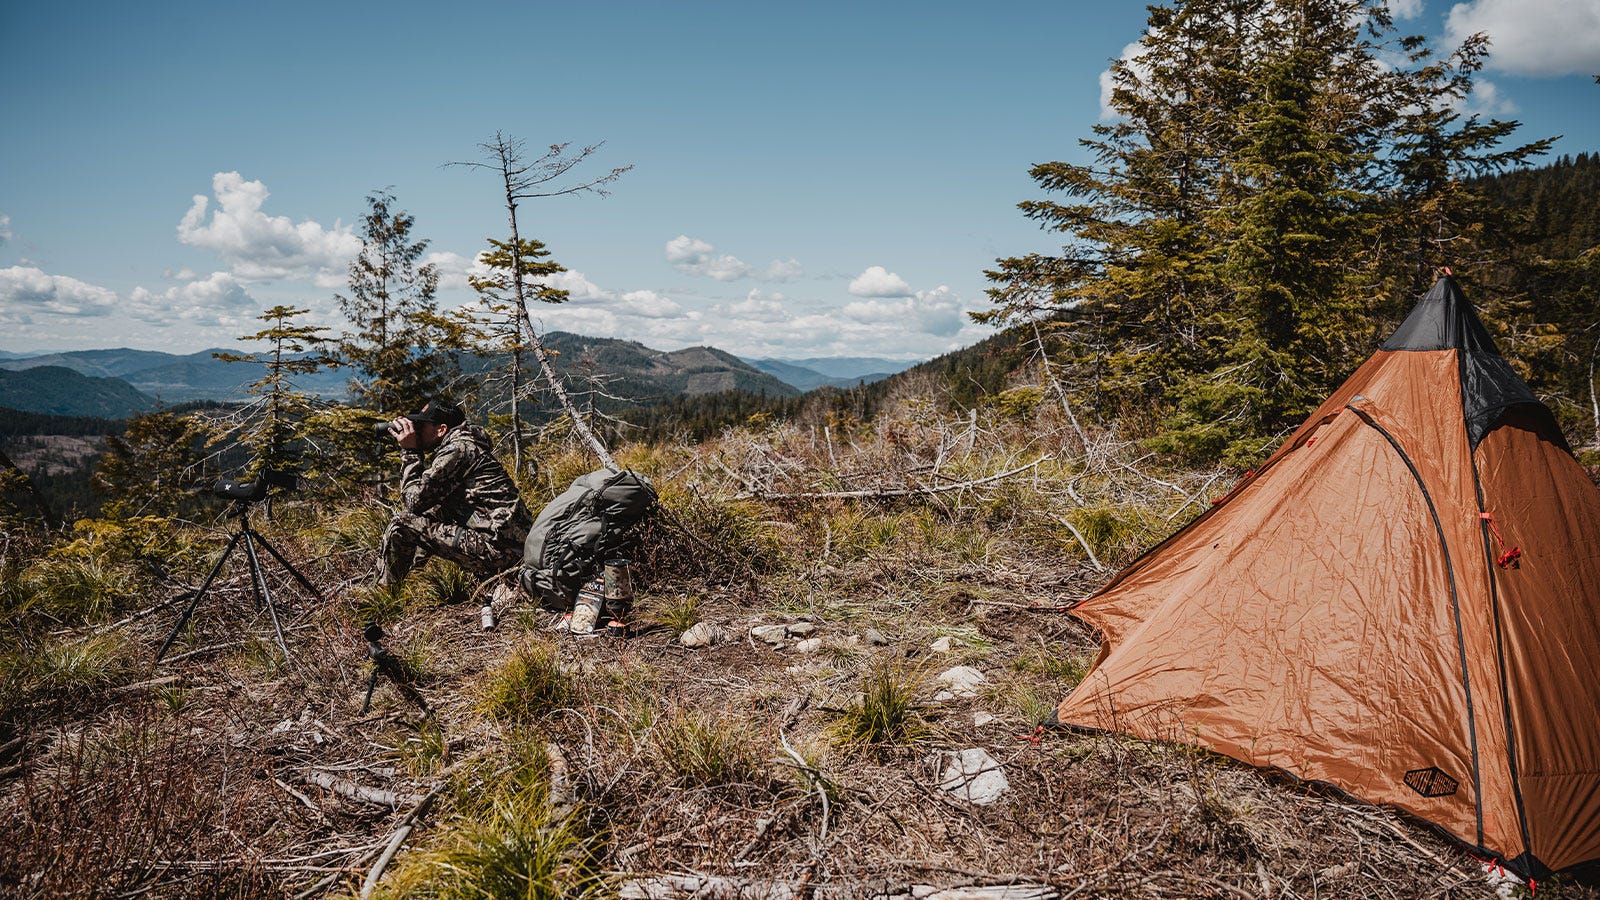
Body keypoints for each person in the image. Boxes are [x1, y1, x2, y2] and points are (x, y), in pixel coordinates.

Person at [377, 399, 532, 594]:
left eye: (421, 425)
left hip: (500, 551)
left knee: (401, 524)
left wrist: (410, 451)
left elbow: (413, 501)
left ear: (441, 430)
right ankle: (413, 582)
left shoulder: (458, 450)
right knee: (435, 512)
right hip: (513, 545)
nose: (415, 430)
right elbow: (428, 508)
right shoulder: (468, 445)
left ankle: (383, 598)